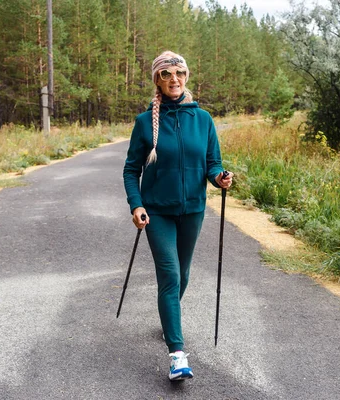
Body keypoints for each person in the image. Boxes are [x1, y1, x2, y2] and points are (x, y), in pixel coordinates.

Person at [123, 50, 233, 381]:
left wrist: (219, 177)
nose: (174, 79)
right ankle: (177, 352)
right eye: (167, 74)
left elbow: (212, 161)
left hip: (194, 210)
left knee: (183, 276)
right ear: (157, 80)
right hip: (157, 211)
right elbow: (131, 170)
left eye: (180, 73)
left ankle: (168, 317)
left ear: (186, 77)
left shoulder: (204, 120)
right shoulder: (145, 123)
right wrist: (136, 204)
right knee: (170, 277)